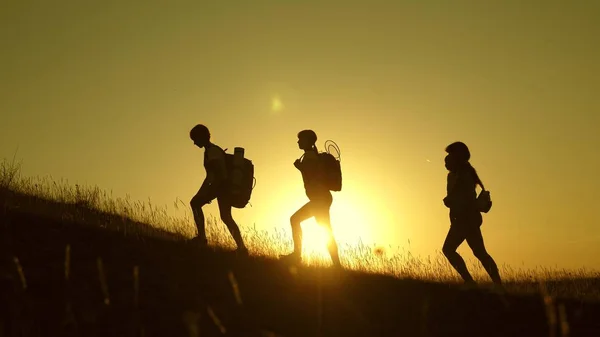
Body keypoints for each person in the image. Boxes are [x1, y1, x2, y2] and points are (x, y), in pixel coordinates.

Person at [442, 141, 501, 287]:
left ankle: (470, 282)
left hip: (465, 219)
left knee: (448, 249)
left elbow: (466, 198)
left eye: (450, 155)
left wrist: (451, 201)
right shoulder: (454, 175)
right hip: (464, 219)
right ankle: (498, 285)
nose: (446, 159)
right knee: (480, 252)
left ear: (458, 157)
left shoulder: (464, 174)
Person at [279, 130, 341, 267]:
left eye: (301, 139)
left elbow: (314, 175)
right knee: (326, 229)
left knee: (295, 220)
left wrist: (300, 168)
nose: (298, 142)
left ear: (308, 141)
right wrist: (301, 168)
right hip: (323, 198)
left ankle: (297, 256)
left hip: (320, 199)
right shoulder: (312, 155)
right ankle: (337, 266)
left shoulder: (309, 156)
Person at [189, 124, 248, 255]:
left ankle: (202, 238)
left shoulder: (212, 151)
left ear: (201, 137)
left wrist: (207, 192)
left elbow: (217, 175)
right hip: (223, 188)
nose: (194, 143)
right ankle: (242, 248)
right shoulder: (212, 150)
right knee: (226, 217)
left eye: (195, 139)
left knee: (195, 203)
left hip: (220, 188)